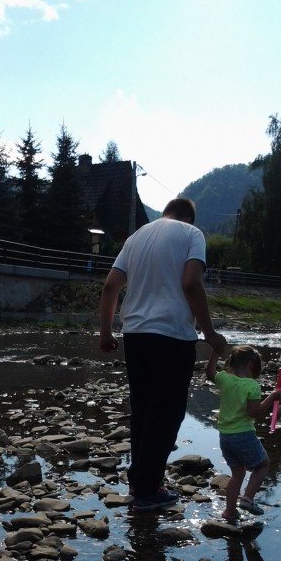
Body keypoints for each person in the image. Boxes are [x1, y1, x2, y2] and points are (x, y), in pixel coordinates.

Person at [99, 197, 226, 512]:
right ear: (189, 218)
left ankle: (140, 479)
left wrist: (104, 331)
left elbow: (110, 285)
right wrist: (209, 333)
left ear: (167, 211)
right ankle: (147, 491)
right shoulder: (191, 234)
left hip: (136, 333)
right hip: (172, 334)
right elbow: (191, 284)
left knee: (143, 409)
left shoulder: (137, 237)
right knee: (166, 413)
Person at [206, 344, 281, 520]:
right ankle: (247, 498)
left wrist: (214, 354)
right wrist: (272, 397)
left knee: (237, 473)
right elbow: (254, 412)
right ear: (251, 364)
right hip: (243, 434)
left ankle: (230, 511)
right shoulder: (252, 386)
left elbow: (210, 373)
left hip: (225, 436)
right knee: (263, 465)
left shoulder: (224, 378)